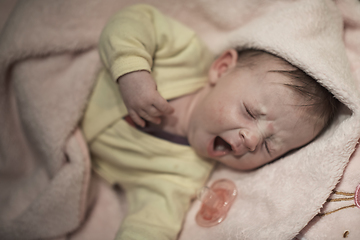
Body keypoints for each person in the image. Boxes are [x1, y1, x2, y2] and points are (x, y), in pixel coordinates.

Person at [81, 4, 338, 240]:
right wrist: (132, 71)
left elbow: (153, 221)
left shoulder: (184, 175)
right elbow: (132, 20)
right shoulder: (182, 56)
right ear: (222, 68)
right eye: (249, 111)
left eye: (270, 147)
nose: (251, 140)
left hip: (77, 152)